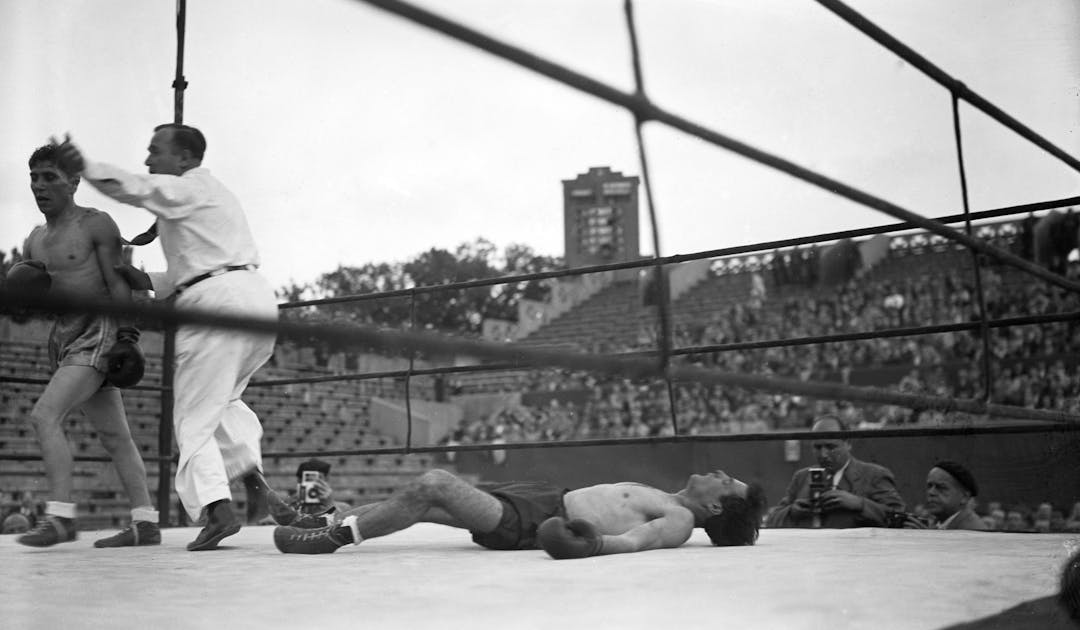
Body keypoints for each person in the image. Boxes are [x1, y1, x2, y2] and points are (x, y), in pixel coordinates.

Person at [52, 126, 278, 551]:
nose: (149, 159)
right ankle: (258, 487)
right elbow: (186, 273)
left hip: (217, 305)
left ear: (185, 158)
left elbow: (136, 188)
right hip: (254, 297)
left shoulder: (188, 187)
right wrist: (145, 278)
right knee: (224, 401)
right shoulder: (214, 196)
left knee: (192, 417)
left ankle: (218, 510)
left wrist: (84, 166)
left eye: (156, 151)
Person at [10, 144, 159, 548]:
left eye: (50, 177)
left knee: (44, 417)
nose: (40, 186)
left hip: (101, 332)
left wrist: (127, 337)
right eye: (34, 178)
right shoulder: (34, 241)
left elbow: (118, 283)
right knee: (115, 437)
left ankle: (60, 517)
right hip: (64, 338)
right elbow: (38, 306)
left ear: (73, 182)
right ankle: (146, 522)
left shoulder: (96, 224)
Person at [271, 468, 767, 558]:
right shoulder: (670, 496)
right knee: (424, 502)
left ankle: (329, 540)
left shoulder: (680, 521)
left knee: (434, 484)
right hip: (541, 497)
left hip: (533, 521)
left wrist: (591, 543)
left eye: (728, 482)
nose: (721, 472)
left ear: (717, 505)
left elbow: (637, 542)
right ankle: (324, 521)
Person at [766, 415, 904, 528]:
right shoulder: (802, 477)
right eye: (817, 447)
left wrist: (860, 504)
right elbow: (772, 519)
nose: (823, 454)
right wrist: (792, 511)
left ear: (848, 443)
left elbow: (899, 518)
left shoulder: (874, 475)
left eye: (831, 447)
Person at [263, 458, 353, 527]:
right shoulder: (289, 506)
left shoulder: (342, 507)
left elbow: (343, 527)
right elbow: (269, 522)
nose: (313, 486)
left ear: (326, 481)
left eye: (318, 481)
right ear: (299, 482)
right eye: (309, 481)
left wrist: (330, 506)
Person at [900, 460, 987, 530]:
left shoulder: (972, 531)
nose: (931, 492)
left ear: (964, 497)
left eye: (941, 487)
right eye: (929, 486)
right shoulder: (940, 524)